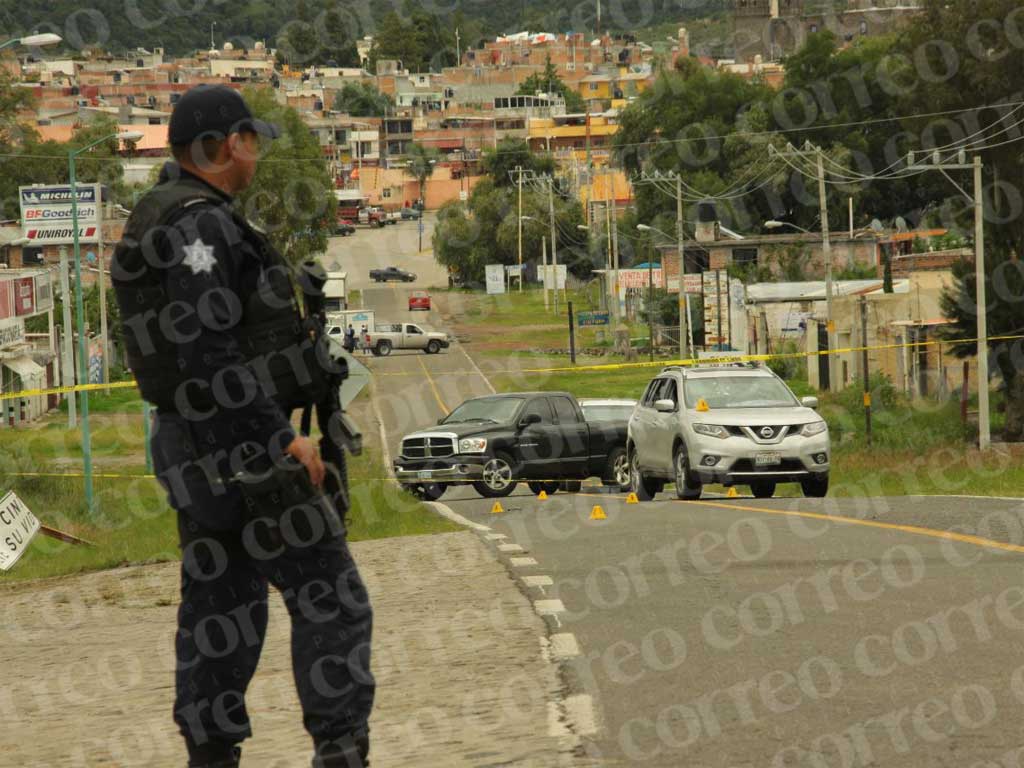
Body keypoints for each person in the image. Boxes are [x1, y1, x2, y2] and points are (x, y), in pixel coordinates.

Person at [111, 84, 374, 768]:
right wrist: (279, 438)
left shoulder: (161, 215)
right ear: (227, 146)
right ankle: (340, 753)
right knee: (331, 597)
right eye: (250, 140)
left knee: (223, 612)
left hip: (194, 449)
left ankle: (212, 757)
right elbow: (209, 353)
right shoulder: (201, 225)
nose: (255, 152)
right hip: (239, 450)